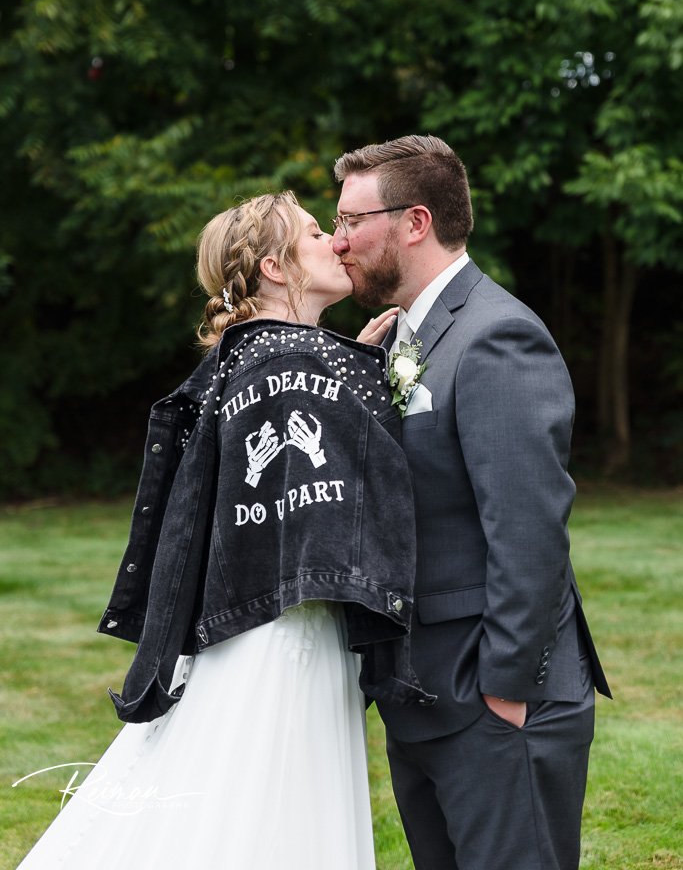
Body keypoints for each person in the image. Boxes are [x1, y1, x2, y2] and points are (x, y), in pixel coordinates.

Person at [16, 190, 428, 870]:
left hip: (239, 619)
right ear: (273, 267)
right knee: (271, 801)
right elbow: (343, 495)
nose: (335, 240)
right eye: (312, 234)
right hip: (287, 621)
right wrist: (358, 380)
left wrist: (346, 363)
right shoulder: (291, 360)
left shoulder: (251, 356)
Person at [332, 135, 612, 870]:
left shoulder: (497, 337)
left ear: (413, 222)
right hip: (420, 689)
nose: (337, 242)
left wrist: (506, 691)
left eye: (350, 220)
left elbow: (527, 528)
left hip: (491, 698)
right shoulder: (401, 335)